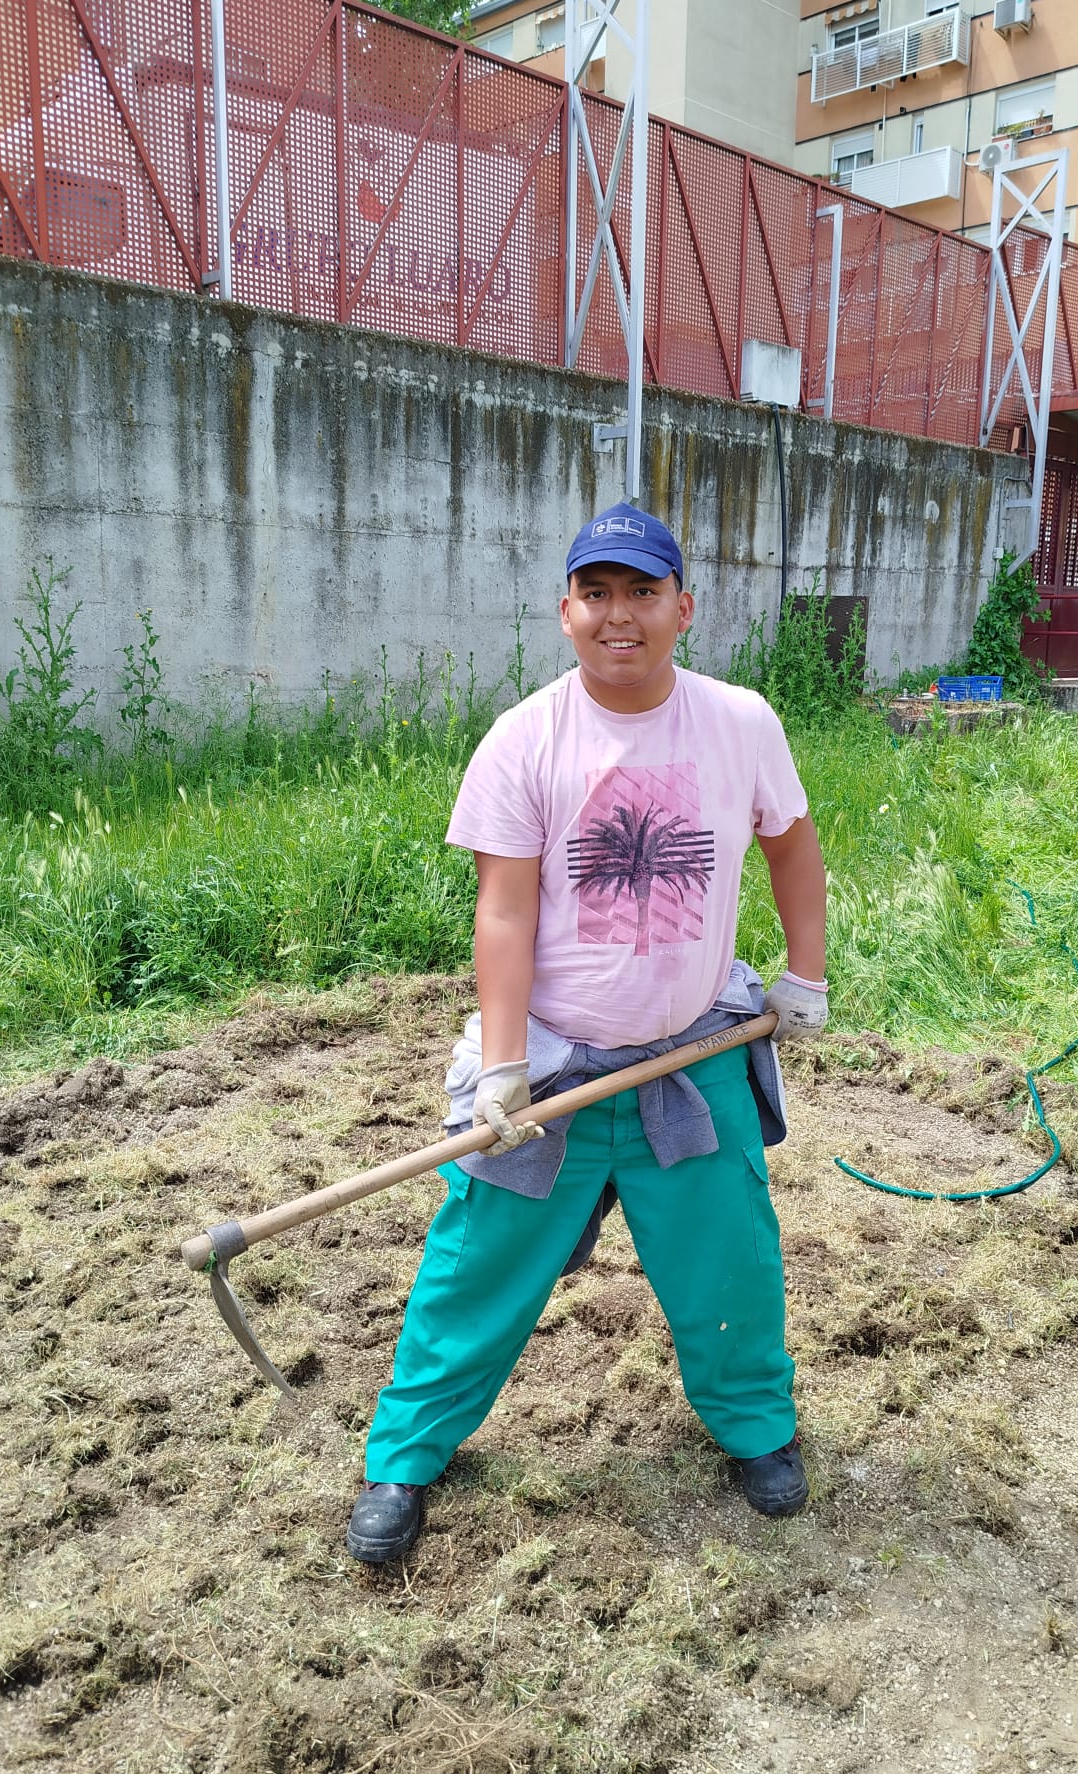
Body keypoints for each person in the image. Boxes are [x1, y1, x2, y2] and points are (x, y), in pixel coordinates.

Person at [347, 501, 829, 1564]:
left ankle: (757, 1429)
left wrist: (806, 975)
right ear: (564, 611)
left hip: (691, 1056)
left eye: (643, 592)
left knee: (731, 1264)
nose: (620, 615)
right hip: (558, 1070)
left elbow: (793, 846)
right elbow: (504, 912)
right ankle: (404, 1458)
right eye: (597, 593)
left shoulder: (739, 722)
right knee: (475, 1268)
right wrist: (504, 1066)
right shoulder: (525, 739)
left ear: (683, 608)